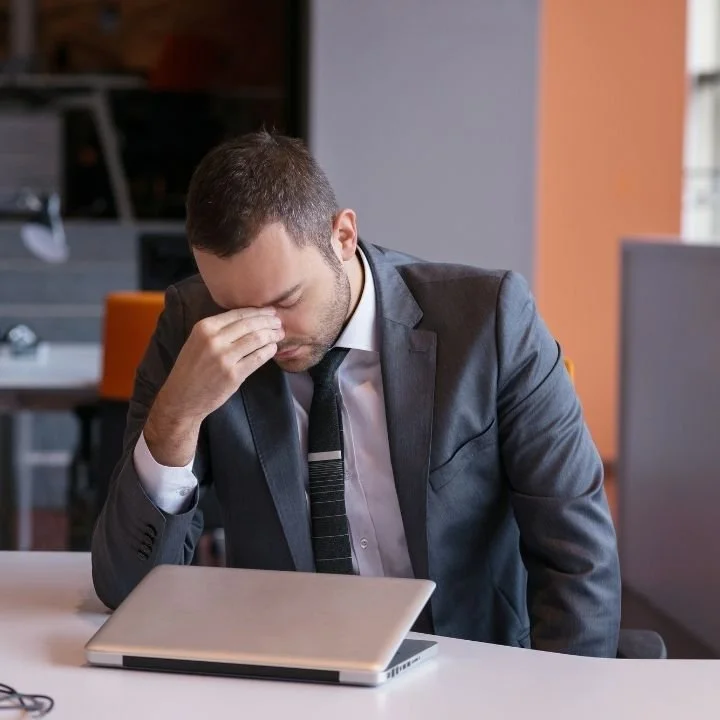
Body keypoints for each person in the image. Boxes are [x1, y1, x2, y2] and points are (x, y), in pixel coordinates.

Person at [91, 131, 621, 656]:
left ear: (343, 236)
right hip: (288, 671)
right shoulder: (194, 326)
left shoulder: (489, 321)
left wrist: (561, 696)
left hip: (470, 666)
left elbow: (577, 557)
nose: (265, 332)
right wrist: (176, 417)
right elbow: (128, 591)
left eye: (286, 299)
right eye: (236, 309)